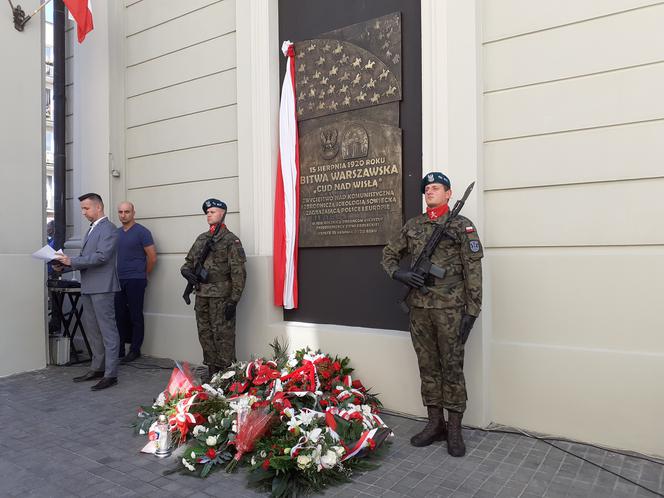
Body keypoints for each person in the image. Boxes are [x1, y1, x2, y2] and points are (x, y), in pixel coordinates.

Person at [381, 172, 483, 457]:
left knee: (451, 368)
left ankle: (454, 429)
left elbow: (473, 273)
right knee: (427, 366)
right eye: (427, 189)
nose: (430, 192)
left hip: (451, 310)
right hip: (420, 310)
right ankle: (434, 423)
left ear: (449, 194)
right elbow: (389, 254)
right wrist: (400, 273)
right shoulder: (414, 225)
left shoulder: (463, 226)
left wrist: (472, 312)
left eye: (436, 188)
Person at [54, 193, 121, 391]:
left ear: (98, 207)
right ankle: (97, 368)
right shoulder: (92, 229)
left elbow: (101, 257)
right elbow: (86, 258)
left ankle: (111, 374)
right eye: (82, 208)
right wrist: (63, 266)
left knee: (108, 331)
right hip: (89, 287)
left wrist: (71, 261)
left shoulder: (109, 228)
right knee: (93, 331)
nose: (83, 212)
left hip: (103, 287)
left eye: (86, 208)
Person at [180, 199, 246, 381]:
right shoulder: (202, 238)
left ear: (223, 214)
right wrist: (186, 272)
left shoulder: (231, 240)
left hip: (221, 296)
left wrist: (234, 300)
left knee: (223, 335)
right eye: (207, 212)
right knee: (205, 333)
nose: (209, 215)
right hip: (202, 294)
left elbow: (238, 273)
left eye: (213, 212)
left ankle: (227, 376)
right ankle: (212, 371)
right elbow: (189, 262)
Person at [114, 201, 157, 363]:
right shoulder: (116, 233)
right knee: (118, 315)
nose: (123, 215)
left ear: (133, 213)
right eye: (120, 212)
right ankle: (118, 349)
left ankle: (134, 350)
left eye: (127, 212)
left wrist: (143, 274)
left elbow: (152, 257)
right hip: (118, 280)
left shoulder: (142, 232)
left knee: (135, 315)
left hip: (136, 280)